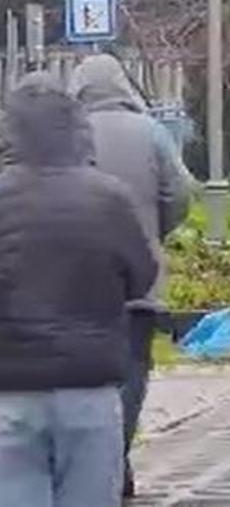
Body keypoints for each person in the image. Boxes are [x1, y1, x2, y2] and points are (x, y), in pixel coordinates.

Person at [0, 74, 158, 507]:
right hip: (89, 386)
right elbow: (142, 277)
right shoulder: (109, 198)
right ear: (77, 129)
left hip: (10, 388)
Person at [67, 53, 192, 499]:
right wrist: (155, 229)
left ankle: (96, 461)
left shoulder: (71, 135)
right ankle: (116, 456)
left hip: (79, 281)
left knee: (88, 372)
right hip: (139, 277)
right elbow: (180, 193)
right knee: (133, 368)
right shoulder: (151, 132)